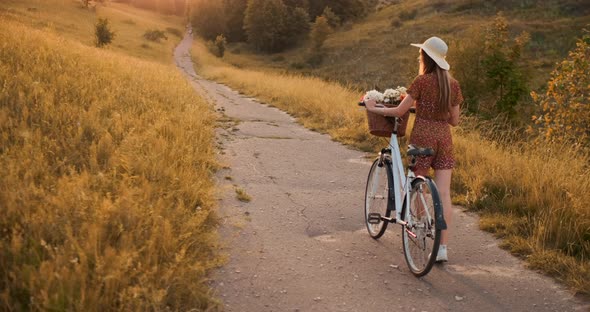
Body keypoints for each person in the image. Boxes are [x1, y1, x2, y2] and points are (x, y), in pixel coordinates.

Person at [365, 36, 463, 262]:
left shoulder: (421, 82)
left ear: (426, 58)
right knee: (444, 193)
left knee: (417, 184)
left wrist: (375, 108)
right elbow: (455, 121)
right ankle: (442, 249)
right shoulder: (453, 84)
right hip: (444, 140)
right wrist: (440, 113)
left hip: (423, 138)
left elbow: (400, 111)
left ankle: (419, 229)